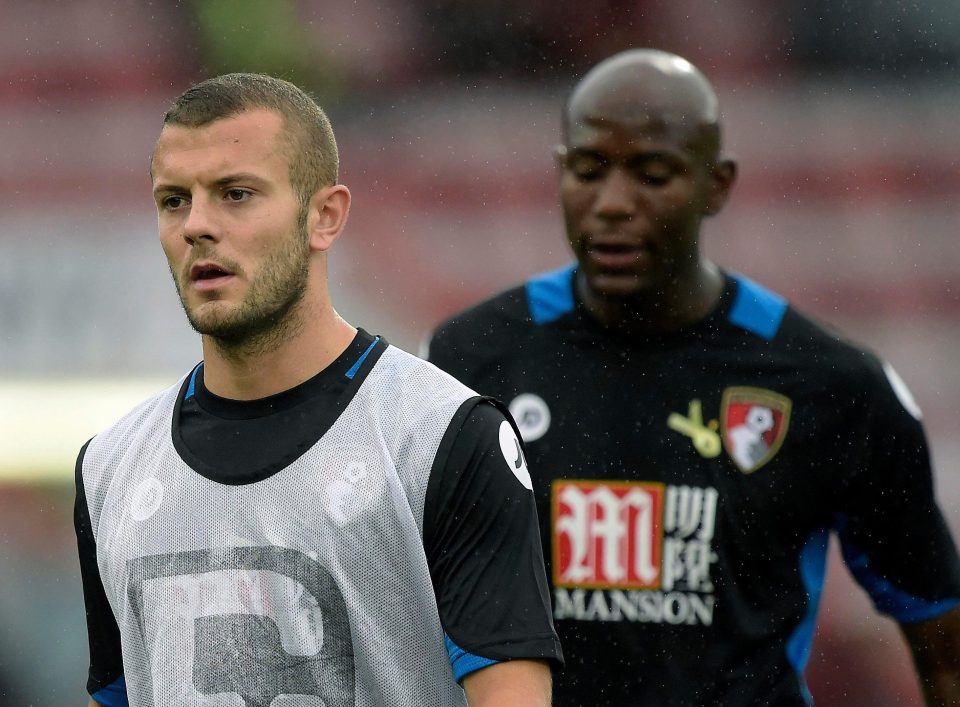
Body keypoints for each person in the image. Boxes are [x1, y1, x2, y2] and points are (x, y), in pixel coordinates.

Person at [425, 49, 960, 706]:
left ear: (717, 184)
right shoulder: (471, 358)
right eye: (589, 170)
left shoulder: (830, 384)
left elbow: (942, 637)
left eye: (653, 173)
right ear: (561, 173)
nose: (613, 203)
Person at [73, 73, 562, 707]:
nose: (196, 225)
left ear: (324, 216)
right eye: (173, 200)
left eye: (236, 193)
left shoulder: (442, 437)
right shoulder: (109, 471)